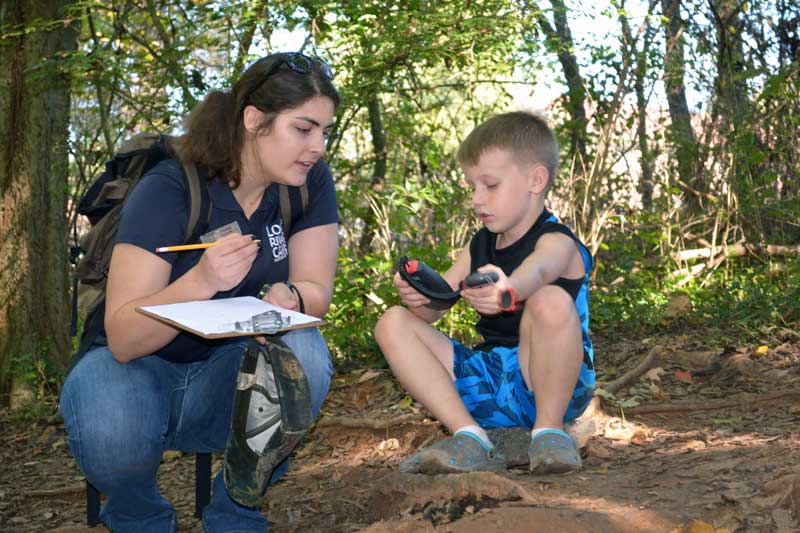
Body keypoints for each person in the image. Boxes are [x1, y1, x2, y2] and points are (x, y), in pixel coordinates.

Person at [60, 52, 340, 532]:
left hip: (226, 379)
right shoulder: (171, 186)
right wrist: (201, 281)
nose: (317, 146)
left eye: (324, 132)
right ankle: (137, 514)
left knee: (304, 354)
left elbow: (316, 291)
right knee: (107, 408)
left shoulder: (306, 182)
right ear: (255, 120)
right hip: (135, 375)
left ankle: (235, 509)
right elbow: (124, 336)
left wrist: (290, 295)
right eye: (303, 129)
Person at [374, 111, 595, 475]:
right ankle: (469, 436)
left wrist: (509, 290)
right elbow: (435, 308)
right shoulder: (479, 245)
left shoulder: (558, 242)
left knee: (550, 300)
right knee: (392, 323)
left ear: (535, 180)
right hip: (489, 380)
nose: (477, 199)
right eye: (472, 186)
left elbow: (537, 271)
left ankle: (550, 431)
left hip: (548, 381)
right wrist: (418, 296)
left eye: (489, 185)